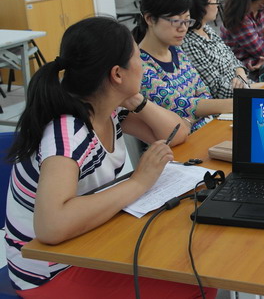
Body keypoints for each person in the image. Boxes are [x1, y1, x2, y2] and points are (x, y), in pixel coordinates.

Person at [5, 17, 216, 297]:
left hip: (82, 243)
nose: (142, 64)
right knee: (197, 281)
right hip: (50, 271)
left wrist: (135, 98)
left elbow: (176, 133)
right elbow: (51, 227)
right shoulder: (67, 133)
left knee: (185, 256)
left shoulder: (107, 110)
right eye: (137, 57)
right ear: (117, 74)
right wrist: (139, 182)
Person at [133, 0, 233, 132]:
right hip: (178, 141)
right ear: (149, 19)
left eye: (187, 21)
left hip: (206, 129)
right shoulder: (140, 66)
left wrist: (191, 116)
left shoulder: (176, 51)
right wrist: (231, 104)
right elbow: (178, 105)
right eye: (175, 21)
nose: (183, 28)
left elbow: (204, 91)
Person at [176, 0, 260, 98]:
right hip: (234, 98)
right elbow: (219, 91)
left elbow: (234, 60)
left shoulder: (207, 29)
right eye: (215, 0)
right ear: (200, 6)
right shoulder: (189, 43)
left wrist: (240, 75)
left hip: (245, 87)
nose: (217, 5)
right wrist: (247, 84)